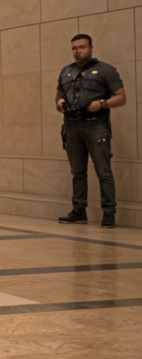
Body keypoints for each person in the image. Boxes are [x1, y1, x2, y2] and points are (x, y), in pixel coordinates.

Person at [55, 33, 125, 227]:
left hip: (96, 126)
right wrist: (59, 102)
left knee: (103, 171)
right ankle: (79, 212)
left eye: (82, 47)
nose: (78, 51)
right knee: (77, 171)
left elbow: (121, 97)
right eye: (74, 48)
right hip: (71, 126)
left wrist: (102, 103)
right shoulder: (66, 71)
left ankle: (109, 214)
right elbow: (58, 95)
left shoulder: (106, 70)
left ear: (91, 48)